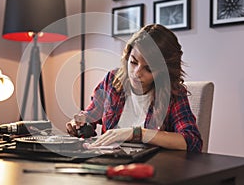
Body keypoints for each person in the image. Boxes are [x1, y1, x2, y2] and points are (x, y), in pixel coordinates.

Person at [66, 24, 202, 152]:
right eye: (133, 62)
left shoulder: (173, 93)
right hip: (110, 162)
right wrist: (79, 122)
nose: (136, 73)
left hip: (152, 167)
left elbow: (192, 141)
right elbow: (91, 114)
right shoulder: (113, 80)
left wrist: (137, 133)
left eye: (148, 68)